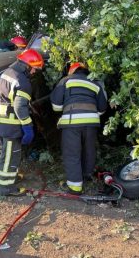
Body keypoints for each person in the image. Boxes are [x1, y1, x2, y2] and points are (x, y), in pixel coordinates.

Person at [50, 62, 107, 195]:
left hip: (72, 122)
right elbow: (102, 108)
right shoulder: (95, 83)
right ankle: (87, 176)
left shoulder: (65, 80)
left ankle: (75, 187)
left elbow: (56, 105)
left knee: (72, 153)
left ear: (72, 71)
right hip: (91, 122)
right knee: (89, 150)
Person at [0, 48, 44, 196]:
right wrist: (28, 126)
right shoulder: (22, 81)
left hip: (3, 121)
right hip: (10, 123)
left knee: (11, 153)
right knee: (9, 155)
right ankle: (6, 188)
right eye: (34, 69)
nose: (34, 73)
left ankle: (11, 179)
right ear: (27, 65)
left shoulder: (8, 73)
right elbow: (20, 106)